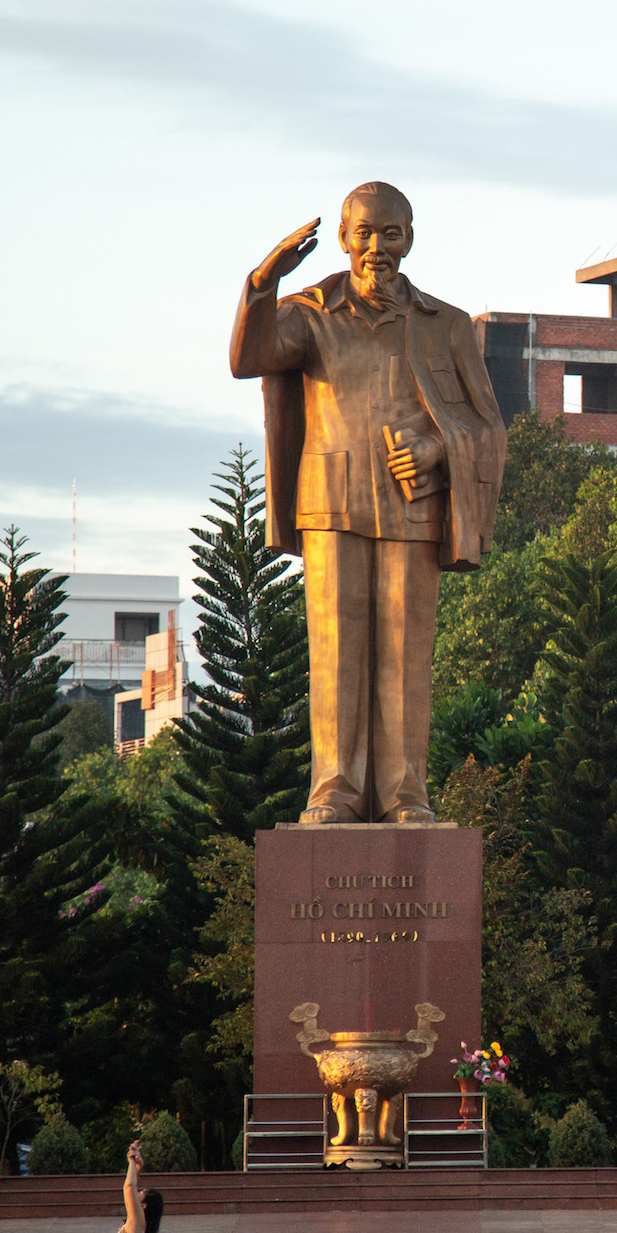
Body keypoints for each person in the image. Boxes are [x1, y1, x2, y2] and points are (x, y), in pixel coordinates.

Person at [229, 181, 507, 825]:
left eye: (391, 233)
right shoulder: (309, 312)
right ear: (343, 238)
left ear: (409, 239)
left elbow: (489, 425)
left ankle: (406, 794)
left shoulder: (449, 326)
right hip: (330, 501)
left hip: (413, 505)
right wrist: (264, 279)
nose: (377, 247)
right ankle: (334, 790)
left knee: (406, 657)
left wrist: (439, 449)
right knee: (335, 652)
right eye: (365, 232)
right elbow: (249, 357)